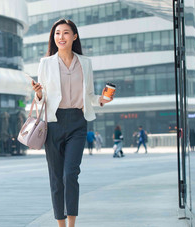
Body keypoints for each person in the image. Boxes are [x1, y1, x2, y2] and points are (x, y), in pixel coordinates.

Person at [31, 19, 114, 227]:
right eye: (57, 33)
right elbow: (40, 100)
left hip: (78, 122)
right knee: (56, 178)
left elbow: (89, 95)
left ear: (74, 36)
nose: (61, 37)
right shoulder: (46, 63)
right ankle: (60, 224)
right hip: (54, 123)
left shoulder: (85, 63)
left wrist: (101, 100)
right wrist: (39, 94)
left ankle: (72, 225)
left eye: (66, 33)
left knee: (71, 174)